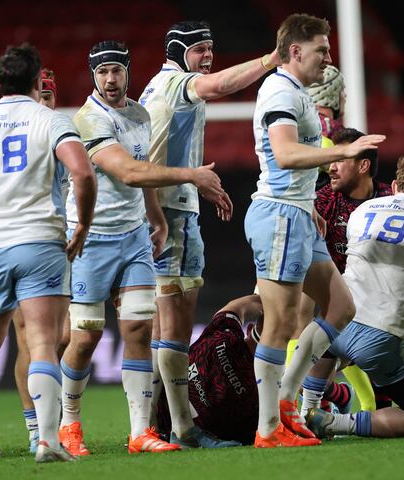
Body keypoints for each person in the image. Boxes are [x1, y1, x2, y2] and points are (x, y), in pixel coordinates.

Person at [58, 40, 231, 456]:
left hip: (133, 237)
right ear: (93, 75)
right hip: (92, 239)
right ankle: (68, 425)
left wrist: (153, 217)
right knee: (85, 337)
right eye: (102, 73)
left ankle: (140, 431)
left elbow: (145, 173)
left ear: (128, 72)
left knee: (138, 328)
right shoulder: (87, 119)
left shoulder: (138, 113)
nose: (110, 79)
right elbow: (128, 171)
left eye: (117, 71)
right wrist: (192, 175)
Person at [0, 43, 96, 464]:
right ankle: (47, 441)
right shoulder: (50, 121)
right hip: (40, 243)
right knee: (43, 343)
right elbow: (81, 171)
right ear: (35, 77)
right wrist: (81, 224)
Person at [244, 13, 385, 448]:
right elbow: (285, 154)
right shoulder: (279, 90)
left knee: (341, 306)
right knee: (281, 324)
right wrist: (345, 149)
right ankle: (269, 427)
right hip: (280, 215)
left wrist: (310, 205)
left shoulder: (297, 93)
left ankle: (287, 401)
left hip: (299, 215)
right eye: (322, 49)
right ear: (295, 51)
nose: (328, 57)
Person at [138, 20, 279, 449]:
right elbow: (218, 85)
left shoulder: (163, 86)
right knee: (173, 324)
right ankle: (180, 428)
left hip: (172, 206)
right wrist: (271, 60)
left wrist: (199, 184)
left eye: (210, 48)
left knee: (168, 324)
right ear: (178, 51)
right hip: (168, 211)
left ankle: (157, 424)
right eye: (199, 49)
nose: (207, 56)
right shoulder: (177, 83)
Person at [305, 154, 404, 438]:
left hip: (334, 320)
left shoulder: (360, 213)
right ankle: (333, 423)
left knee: (328, 343)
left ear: (393, 185)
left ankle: (305, 414)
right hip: (380, 335)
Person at [0, 66, 67, 455]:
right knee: (36, 341)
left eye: (52, 95)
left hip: (49, 245)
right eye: (43, 93)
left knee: (55, 339)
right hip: (34, 246)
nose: (47, 100)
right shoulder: (41, 132)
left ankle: (50, 426)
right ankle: (39, 429)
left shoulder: (55, 127)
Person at [295, 127, 392, 415]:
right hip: (335, 306)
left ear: (363, 166)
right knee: (301, 347)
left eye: (341, 159)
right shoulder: (323, 202)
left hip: (378, 304)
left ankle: (369, 404)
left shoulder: (389, 203)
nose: (331, 167)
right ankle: (325, 398)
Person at [155, 295, 262, 446]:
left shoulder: (224, 335)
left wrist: (270, 297)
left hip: (155, 422)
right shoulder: (261, 399)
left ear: (250, 329)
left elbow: (238, 306)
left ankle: (142, 429)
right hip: (171, 432)